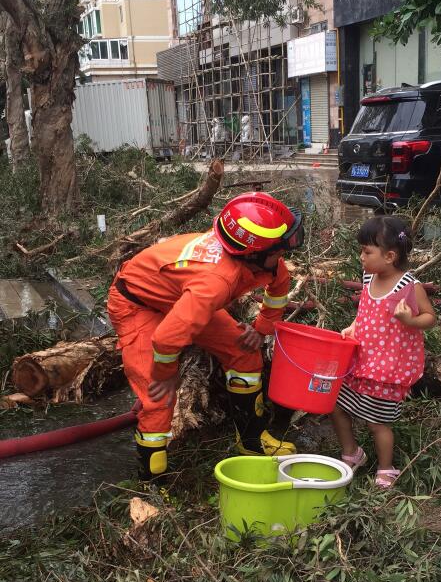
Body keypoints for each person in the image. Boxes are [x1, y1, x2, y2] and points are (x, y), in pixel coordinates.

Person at [107, 192, 304, 481]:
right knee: (157, 397)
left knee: (244, 351)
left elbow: (278, 289)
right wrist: (164, 373)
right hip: (138, 303)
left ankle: (251, 441)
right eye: (279, 249)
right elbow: (166, 338)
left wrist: (262, 328)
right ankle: (152, 480)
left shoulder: (265, 260)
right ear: (252, 253)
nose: (283, 255)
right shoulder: (217, 280)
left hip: (182, 300)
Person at [331, 216, 436, 489]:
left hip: (387, 369)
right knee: (338, 407)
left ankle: (386, 468)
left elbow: (430, 317)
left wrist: (410, 321)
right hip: (360, 361)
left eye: (367, 251)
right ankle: (352, 453)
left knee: (377, 423)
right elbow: (365, 312)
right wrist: (353, 327)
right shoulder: (369, 277)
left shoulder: (409, 286)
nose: (361, 256)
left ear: (390, 256)